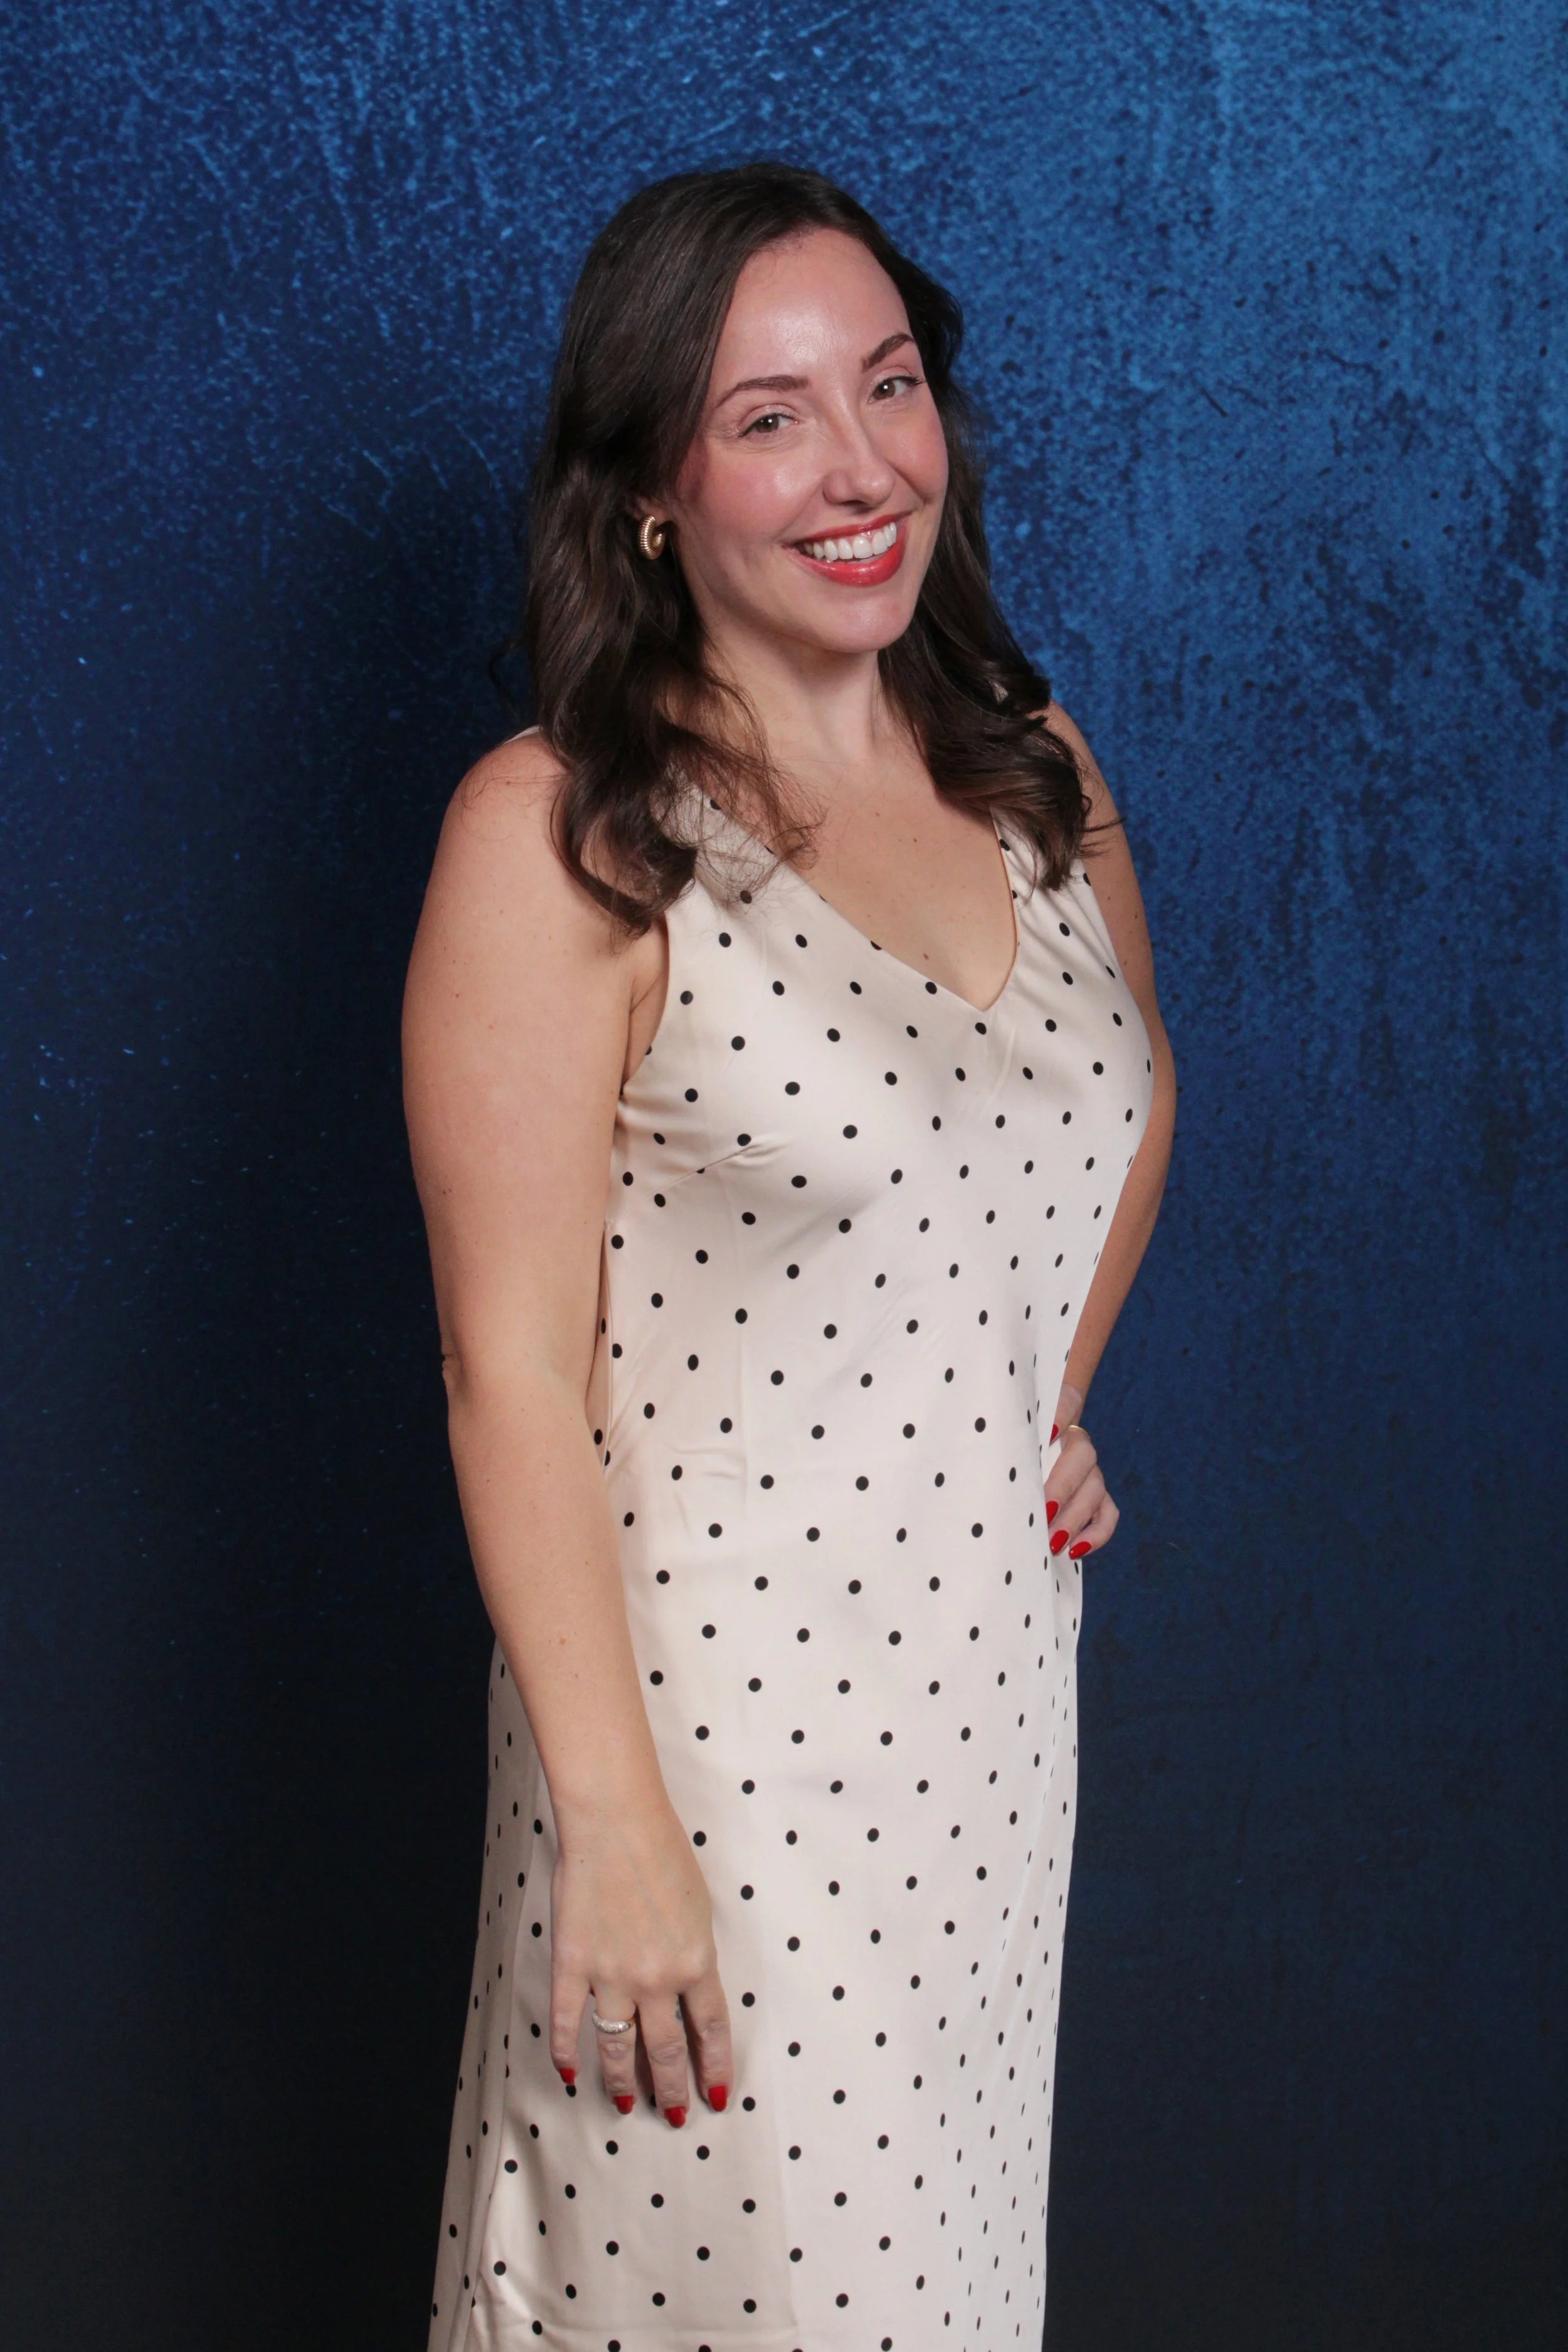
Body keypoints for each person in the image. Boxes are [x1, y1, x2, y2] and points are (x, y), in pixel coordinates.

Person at [403, 160, 1176, 2352]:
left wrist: (1033, 1390)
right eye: (766, 416)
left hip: (987, 1736)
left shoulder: (1032, 769)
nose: (860, 469)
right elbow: (507, 1376)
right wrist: (615, 1819)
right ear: (651, 485)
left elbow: (1130, 1099)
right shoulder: (562, 836)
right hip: (708, 1763)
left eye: (890, 386)